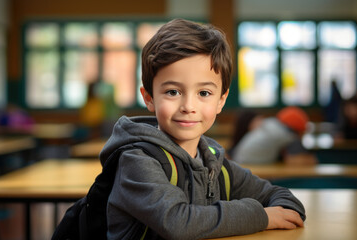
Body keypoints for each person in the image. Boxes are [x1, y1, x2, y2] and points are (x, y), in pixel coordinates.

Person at [100, 19, 305, 239]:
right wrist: (261, 216)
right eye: (172, 92)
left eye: (204, 93)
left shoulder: (215, 162)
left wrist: (277, 210)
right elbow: (177, 223)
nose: (189, 107)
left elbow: (284, 200)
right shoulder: (137, 161)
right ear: (149, 98)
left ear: (221, 100)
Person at [231, 107, 317, 166]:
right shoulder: (287, 134)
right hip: (248, 167)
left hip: (239, 161)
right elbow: (294, 161)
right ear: (299, 130)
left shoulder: (272, 125)